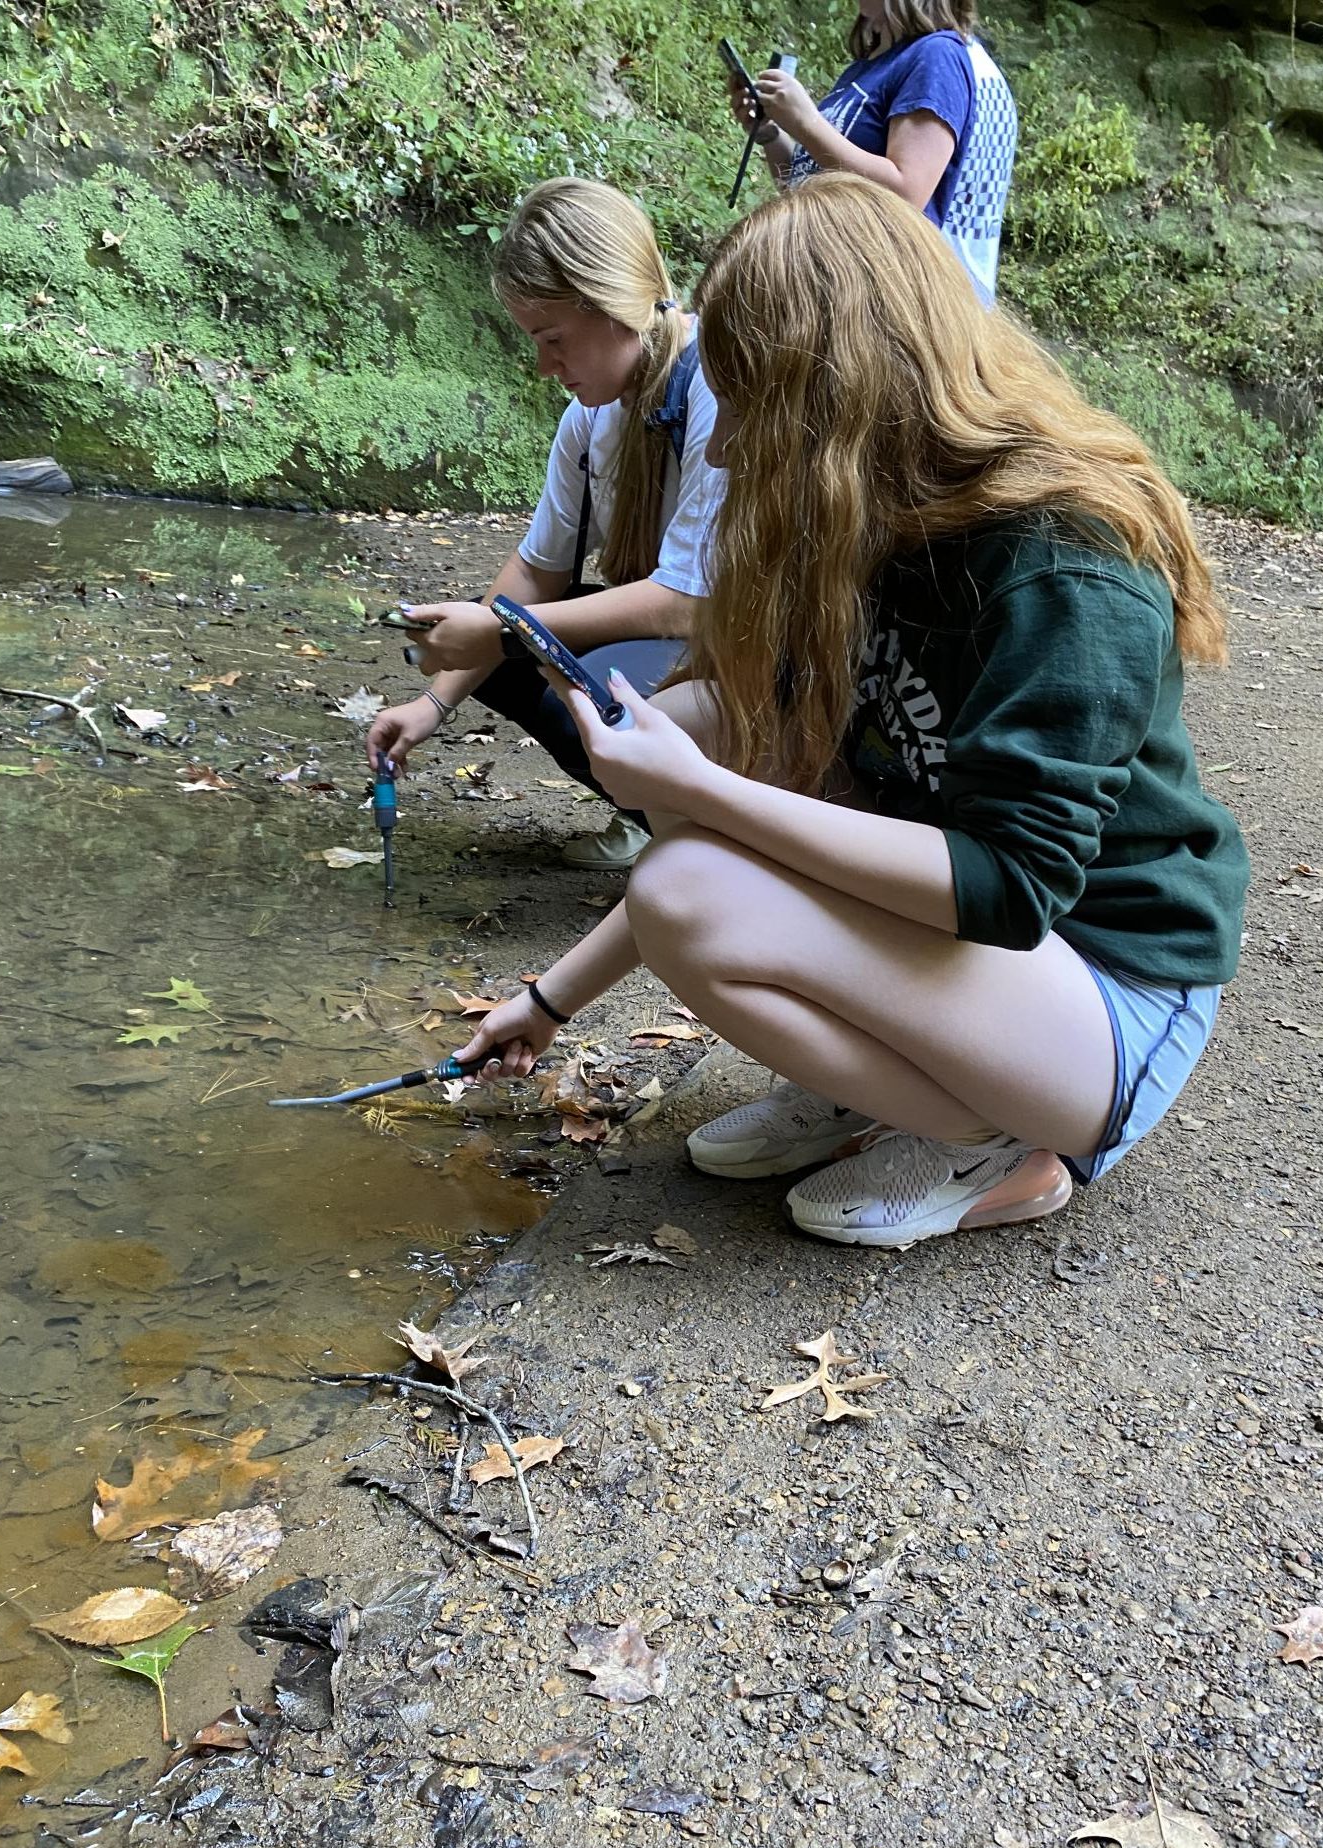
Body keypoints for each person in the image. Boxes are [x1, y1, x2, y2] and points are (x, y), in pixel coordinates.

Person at [451, 175, 1249, 1251]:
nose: (725, 452)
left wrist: (703, 798)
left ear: (840, 391)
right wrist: (550, 1003)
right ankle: (888, 1088)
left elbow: (1011, 886)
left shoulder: (1063, 566)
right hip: (983, 956)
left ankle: (990, 1136)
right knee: (704, 726)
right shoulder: (872, 530)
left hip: (1108, 989)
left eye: (750, 408)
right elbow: (758, 746)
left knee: (688, 880)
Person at [366, 178, 723, 870]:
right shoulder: (590, 421)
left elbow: (686, 602)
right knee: (493, 655)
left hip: (750, 645)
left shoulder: (715, 386)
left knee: (562, 681)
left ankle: (701, 832)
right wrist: (430, 707)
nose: (542, 366)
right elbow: (537, 571)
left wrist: (506, 629)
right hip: (682, 636)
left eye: (554, 339)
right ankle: (652, 813)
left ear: (616, 302)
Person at [729, 1, 1016, 305]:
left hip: (871, 304)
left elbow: (905, 195)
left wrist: (807, 122)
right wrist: (771, 134)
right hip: (819, 286)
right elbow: (811, 182)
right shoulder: (868, 66)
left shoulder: (937, 56)